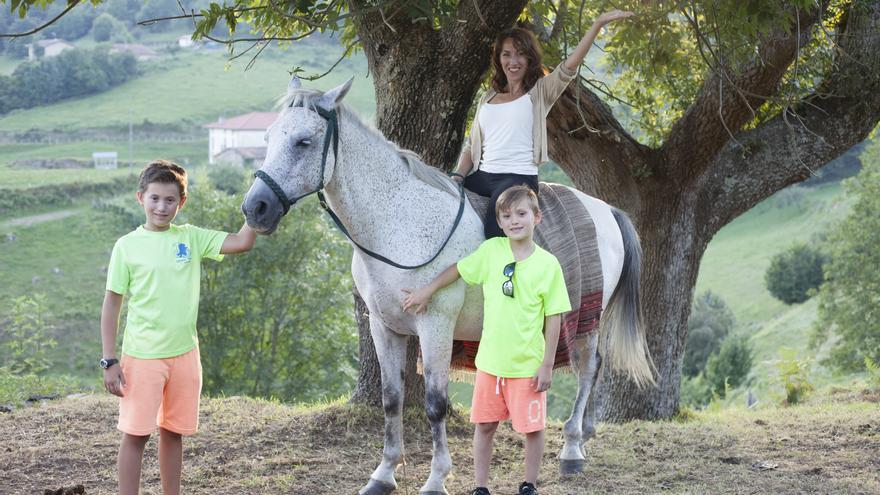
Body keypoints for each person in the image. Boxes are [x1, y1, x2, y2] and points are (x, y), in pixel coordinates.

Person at [100, 160, 256, 495]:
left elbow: (243, 242)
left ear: (181, 203)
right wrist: (109, 360)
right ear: (140, 197)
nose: (161, 206)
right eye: (154, 198)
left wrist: (258, 207)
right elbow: (112, 304)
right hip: (142, 357)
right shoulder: (126, 246)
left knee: (173, 432)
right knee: (137, 435)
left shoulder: (193, 238)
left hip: (185, 355)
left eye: (170, 200)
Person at [402, 185, 571, 495]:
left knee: (532, 429)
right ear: (501, 222)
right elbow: (459, 270)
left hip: (527, 366)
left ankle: (529, 484)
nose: (514, 221)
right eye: (506, 216)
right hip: (490, 364)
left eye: (521, 214)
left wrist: (546, 364)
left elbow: (554, 316)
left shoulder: (548, 265)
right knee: (485, 426)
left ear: (537, 217)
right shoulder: (492, 251)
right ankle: (481, 487)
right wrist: (426, 290)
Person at [450, 10, 634, 238]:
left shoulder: (540, 92)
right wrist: (458, 176)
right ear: (499, 59)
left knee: (493, 229)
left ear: (530, 58)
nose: (513, 61)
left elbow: (569, 67)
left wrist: (597, 24)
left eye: (520, 54)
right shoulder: (487, 97)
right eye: (506, 55)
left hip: (516, 178)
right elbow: (471, 146)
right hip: (483, 175)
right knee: (444, 205)